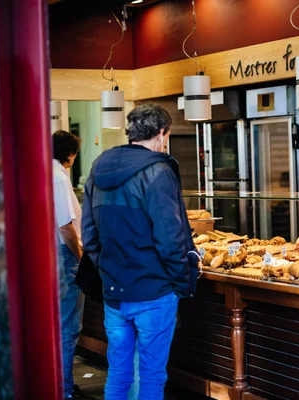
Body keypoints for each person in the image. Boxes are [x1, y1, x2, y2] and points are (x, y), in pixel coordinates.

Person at [82, 104, 199, 400]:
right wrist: (181, 284)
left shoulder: (97, 169)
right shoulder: (158, 171)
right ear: (161, 134)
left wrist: (108, 270)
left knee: (119, 373)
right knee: (150, 377)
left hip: (114, 293)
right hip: (154, 292)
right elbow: (170, 239)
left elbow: (90, 237)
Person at [52, 130, 87, 400]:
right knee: (68, 327)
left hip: (51, 255)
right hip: (65, 256)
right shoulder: (59, 177)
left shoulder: (42, 173)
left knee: (57, 326)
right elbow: (65, 227)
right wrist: (81, 258)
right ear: (71, 154)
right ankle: (64, 391)